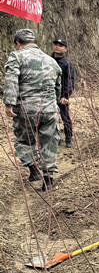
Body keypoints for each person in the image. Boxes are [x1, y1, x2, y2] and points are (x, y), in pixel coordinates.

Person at [3, 29, 62, 191]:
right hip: (49, 108)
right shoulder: (52, 61)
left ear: (18, 43)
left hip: (26, 109)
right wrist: (54, 103)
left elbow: (11, 81)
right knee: (49, 141)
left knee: (24, 140)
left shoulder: (17, 56)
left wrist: (8, 104)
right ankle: (48, 180)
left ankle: (34, 170)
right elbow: (58, 87)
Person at [51, 38, 77, 148]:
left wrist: (65, 96)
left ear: (65, 49)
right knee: (49, 118)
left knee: (65, 118)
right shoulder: (47, 60)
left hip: (61, 96)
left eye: (60, 46)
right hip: (48, 94)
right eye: (56, 44)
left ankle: (68, 138)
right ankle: (53, 139)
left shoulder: (67, 64)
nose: (57, 47)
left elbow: (70, 81)